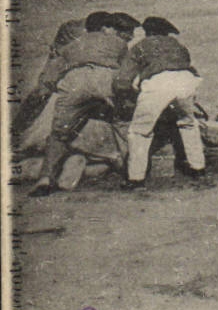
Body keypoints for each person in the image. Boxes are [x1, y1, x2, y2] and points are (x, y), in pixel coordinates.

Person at [29, 12, 139, 196]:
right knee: (123, 125)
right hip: (105, 77)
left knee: (59, 134)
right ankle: (132, 172)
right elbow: (125, 73)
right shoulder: (118, 43)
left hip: (74, 81)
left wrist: (53, 90)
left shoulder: (72, 46)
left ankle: (45, 178)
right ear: (107, 28)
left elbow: (50, 76)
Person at [116, 16, 207, 188]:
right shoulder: (178, 46)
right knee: (188, 124)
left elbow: (122, 80)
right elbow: (189, 67)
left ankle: (135, 178)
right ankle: (198, 168)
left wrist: (129, 96)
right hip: (186, 81)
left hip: (158, 84)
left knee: (139, 132)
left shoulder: (141, 46)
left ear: (147, 32)